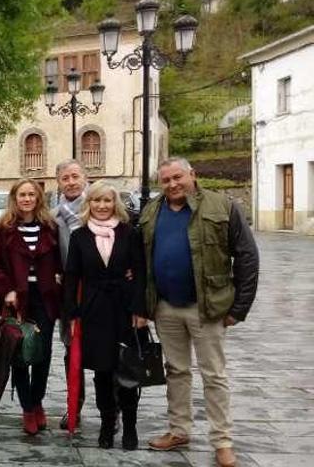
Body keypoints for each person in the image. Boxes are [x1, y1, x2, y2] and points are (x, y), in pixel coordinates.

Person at [140, 157, 258, 467]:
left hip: (208, 308)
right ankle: (179, 430)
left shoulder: (222, 206)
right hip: (165, 307)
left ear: (192, 175)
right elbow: (139, 259)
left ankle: (222, 441)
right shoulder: (151, 211)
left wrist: (240, 308)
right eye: (165, 180)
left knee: (214, 375)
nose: (172, 184)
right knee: (176, 371)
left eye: (177, 177)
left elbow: (247, 257)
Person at [61, 181, 147, 450]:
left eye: (107, 201)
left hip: (124, 309)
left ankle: (130, 426)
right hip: (94, 311)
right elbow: (71, 277)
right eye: (96, 201)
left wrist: (140, 310)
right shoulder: (79, 236)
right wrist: (71, 314)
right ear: (89, 204)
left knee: (128, 371)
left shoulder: (129, 233)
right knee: (101, 373)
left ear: (115, 204)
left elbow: (141, 273)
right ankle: (107, 424)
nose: (101, 206)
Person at [0, 178, 61, 435]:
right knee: (18, 354)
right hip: (16, 298)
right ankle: (27, 407)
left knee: (43, 353)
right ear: (15, 198)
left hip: (45, 298)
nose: (27, 199)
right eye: (22, 195)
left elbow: (61, 260)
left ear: (38, 197)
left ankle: (38, 400)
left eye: (31, 194)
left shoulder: (50, 226)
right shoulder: (2, 228)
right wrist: (5, 289)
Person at [50, 159, 89, 430]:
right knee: (70, 349)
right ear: (59, 183)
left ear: (85, 178)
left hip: (100, 292)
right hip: (69, 293)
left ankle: (113, 410)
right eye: (66, 178)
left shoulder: (99, 207)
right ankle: (74, 406)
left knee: (105, 350)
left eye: (75, 176)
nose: (71, 182)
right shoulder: (53, 218)